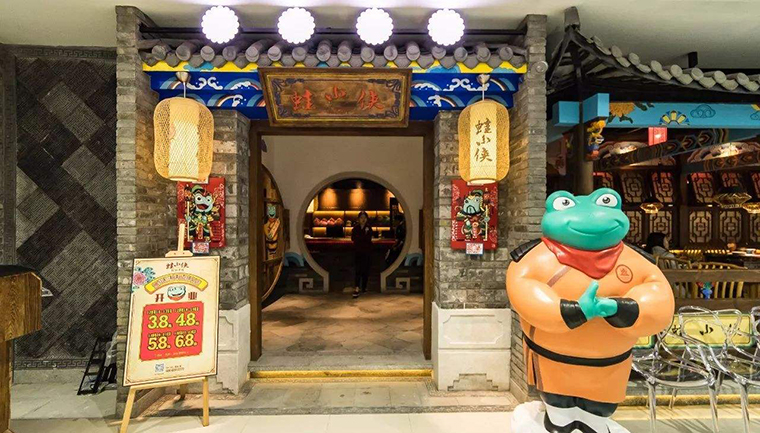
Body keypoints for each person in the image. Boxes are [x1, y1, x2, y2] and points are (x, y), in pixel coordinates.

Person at [351, 211, 373, 298]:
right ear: (358, 219)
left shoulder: (369, 228)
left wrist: (361, 238)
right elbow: (353, 238)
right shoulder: (355, 228)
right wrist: (362, 237)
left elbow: (368, 239)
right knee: (358, 270)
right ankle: (357, 287)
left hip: (367, 252)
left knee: (365, 270)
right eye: (361, 218)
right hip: (358, 251)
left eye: (364, 218)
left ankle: (364, 287)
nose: (363, 219)